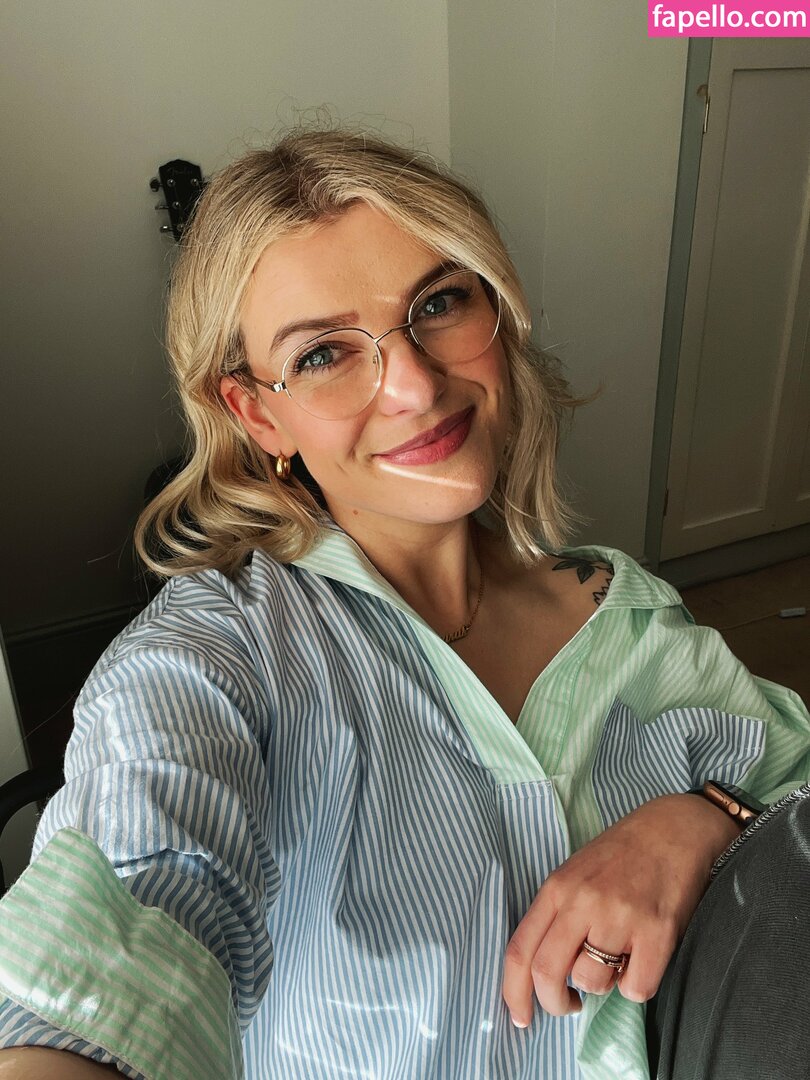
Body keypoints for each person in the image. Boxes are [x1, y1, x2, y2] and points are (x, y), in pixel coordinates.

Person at [0, 127, 808, 1080]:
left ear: (495, 309)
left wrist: (708, 816)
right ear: (257, 414)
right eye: (322, 354)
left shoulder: (629, 610)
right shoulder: (218, 655)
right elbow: (126, 917)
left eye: (437, 303)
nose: (416, 386)